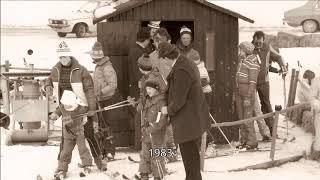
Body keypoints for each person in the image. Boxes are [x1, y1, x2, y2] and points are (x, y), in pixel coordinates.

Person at [45, 41, 107, 172]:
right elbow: (49, 78)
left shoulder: (81, 70)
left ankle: (99, 161)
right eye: (61, 57)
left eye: (65, 56)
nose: (63, 59)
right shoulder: (56, 69)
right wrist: (48, 85)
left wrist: (91, 108)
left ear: (70, 55)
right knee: (66, 138)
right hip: (66, 106)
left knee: (90, 135)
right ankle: (61, 166)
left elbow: (90, 90)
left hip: (82, 106)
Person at [158, 42, 210, 180]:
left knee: (189, 155)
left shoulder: (181, 69)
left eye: (163, 59)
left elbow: (179, 98)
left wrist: (167, 110)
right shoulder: (185, 62)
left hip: (188, 119)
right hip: (193, 116)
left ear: (167, 58)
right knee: (191, 155)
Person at [49, 90, 93, 178]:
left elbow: (88, 109)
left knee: (82, 149)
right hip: (68, 135)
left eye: (68, 105)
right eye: (65, 104)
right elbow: (57, 113)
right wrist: (53, 116)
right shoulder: (62, 107)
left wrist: (90, 112)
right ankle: (62, 168)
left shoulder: (80, 108)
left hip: (79, 133)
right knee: (65, 152)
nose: (66, 106)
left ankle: (87, 164)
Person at [252, 31, 287, 136]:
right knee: (253, 107)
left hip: (264, 82)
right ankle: (256, 133)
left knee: (266, 105)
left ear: (263, 40)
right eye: (256, 42)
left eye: (260, 42)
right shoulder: (249, 48)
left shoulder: (267, 47)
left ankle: (272, 129)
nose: (258, 44)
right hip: (251, 82)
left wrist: (282, 67)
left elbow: (278, 57)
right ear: (253, 40)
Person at [138, 74, 168, 180]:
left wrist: (151, 128)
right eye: (147, 89)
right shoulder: (147, 100)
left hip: (157, 135)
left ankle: (158, 175)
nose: (148, 91)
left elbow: (162, 121)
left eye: (150, 88)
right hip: (146, 133)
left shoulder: (161, 103)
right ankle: (144, 174)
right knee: (145, 154)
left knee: (157, 155)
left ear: (156, 89)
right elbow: (142, 112)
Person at [91, 41, 117, 159]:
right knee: (102, 125)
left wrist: (100, 92)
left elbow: (113, 85)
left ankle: (110, 151)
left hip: (107, 99)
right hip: (100, 99)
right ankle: (104, 150)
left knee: (107, 125)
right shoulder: (99, 66)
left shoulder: (107, 67)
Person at [128, 27, 151, 150]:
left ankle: (140, 144)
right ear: (146, 40)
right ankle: (140, 145)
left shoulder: (133, 50)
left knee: (139, 114)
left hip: (135, 86)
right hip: (140, 87)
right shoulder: (139, 52)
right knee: (140, 115)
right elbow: (138, 72)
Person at [235, 41, 260, 150]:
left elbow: (253, 82)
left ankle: (252, 142)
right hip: (239, 93)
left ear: (246, 51)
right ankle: (244, 140)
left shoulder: (253, 63)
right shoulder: (242, 62)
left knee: (248, 118)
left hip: (247, 94)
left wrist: (248, 96)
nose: (239, 52)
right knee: (241, 118)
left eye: (241, 50)